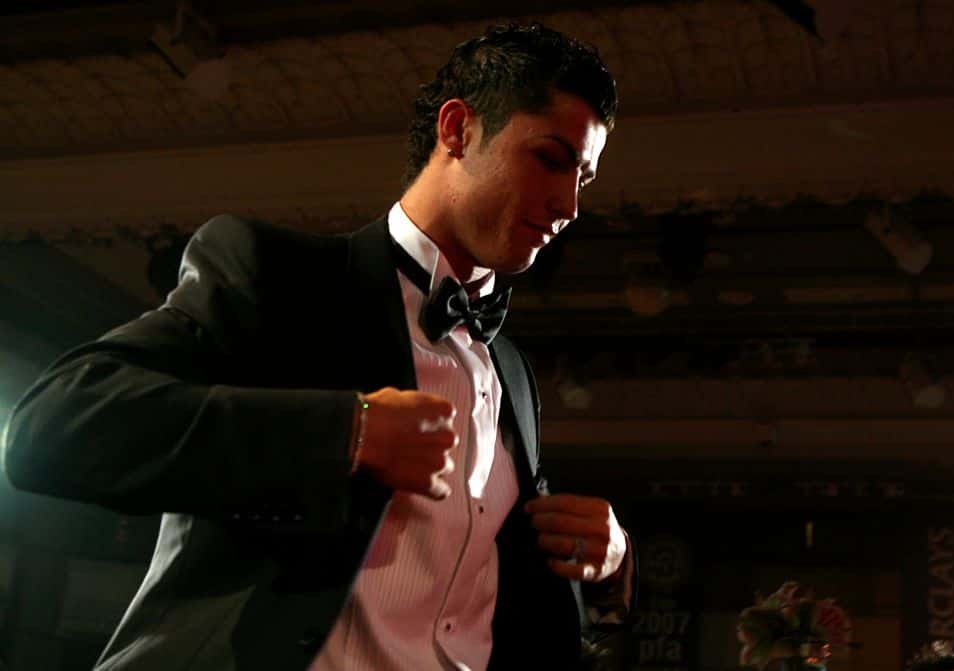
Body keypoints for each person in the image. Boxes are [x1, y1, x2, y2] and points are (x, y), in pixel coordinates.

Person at [2, 22, 634, 671]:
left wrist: (611, 563)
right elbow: (52, 426)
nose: (570, 205)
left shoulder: (512, 371)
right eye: (552, 159)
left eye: (583, 177)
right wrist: (346, 432)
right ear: (457, 130)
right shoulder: (278, 278)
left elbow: (500, 590)